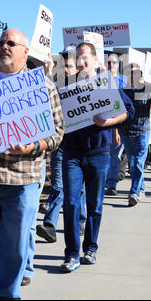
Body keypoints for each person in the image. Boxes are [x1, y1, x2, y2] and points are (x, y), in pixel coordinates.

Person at [0, 29, 64, 300]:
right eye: (0, 42)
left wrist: (34, 145)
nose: (4, 46)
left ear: (25, 51)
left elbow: (56, 133)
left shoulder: (43, 86)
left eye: (10, 43)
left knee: (16, 244)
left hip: (23, 177)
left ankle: (6, 294)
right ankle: (4, 273)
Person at [60, 42, 134, 272]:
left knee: (95, 204)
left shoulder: (106, 85)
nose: (81, 63)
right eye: (78, 59)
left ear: (94, 60)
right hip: (71, 152)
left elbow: (127, 111)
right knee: (71, 203)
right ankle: (71, 253)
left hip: (99, 153)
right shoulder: (67, 85)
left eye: (85, 58)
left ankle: (90, 248)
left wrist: (109, 122)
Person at [37, 50, 86, 244]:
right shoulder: (53, 86)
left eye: (69, 66)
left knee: (78, 189)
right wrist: (48, 72)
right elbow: (42, 97)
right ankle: (50, 225)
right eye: (62, 66)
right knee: (58, 186)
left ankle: (80, 221)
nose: (65, 69)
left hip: (81, 146)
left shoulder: (86, 86)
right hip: (60, 144)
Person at [121, 63, 151, 206]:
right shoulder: (122, 91)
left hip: (143, 131)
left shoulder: (148, 89)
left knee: (137, 162)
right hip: (126, 132)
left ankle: (134, 193)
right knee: (133, 163)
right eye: (129, 73)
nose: (132, 76)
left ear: (141, 76)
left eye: (135, 73)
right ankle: (141, 189)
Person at [105, 53, 128, 195]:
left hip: (118, 124)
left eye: (113, 62)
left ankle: (111, 184)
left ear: (118, 64)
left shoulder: (124, 82)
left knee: (115, 155)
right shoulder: (99, 79)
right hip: (101, 124)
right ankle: (101, 183)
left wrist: (117, 129)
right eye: (108, 62)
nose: (111, 65)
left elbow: (126, 107)